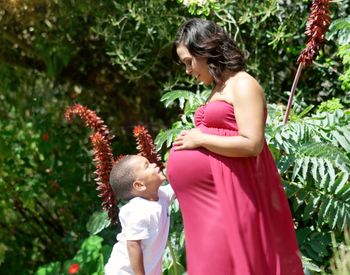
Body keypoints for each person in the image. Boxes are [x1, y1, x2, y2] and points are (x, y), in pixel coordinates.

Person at [166, 18, 304, 275]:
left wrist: (201, 139)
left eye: (188, 62)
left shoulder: (243, 84)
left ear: (205, 50)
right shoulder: (218, 89)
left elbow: (252, 144)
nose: (188, 71)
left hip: (232, 199)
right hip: (207, 205)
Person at [104, 155, 175, 275]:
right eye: (147, 166)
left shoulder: (161, 195)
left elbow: (180, 186)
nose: (154, 164)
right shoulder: (138, 210)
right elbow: (133, 245)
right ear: (139, 185)